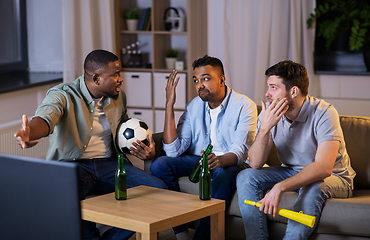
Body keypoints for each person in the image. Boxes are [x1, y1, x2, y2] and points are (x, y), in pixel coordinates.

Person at [14, 49, 168, 240]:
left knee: (160, 190)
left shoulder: (119, 96)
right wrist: (29, 132)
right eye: (115, 74)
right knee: (68, 193)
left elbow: (122, 131)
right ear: (96, 78)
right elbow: (47, 117)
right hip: (73, 165)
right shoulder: (63, 94)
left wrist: (144, 149)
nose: (121, 79)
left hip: (110, 164)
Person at [236, 60, 356, 240]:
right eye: (268, 87)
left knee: (313, 186)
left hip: (335, 177)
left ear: (293, 91)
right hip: (291, 170)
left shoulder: (324, 112)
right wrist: (265, 129)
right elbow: (255, 163)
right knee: (245, 177)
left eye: (273, 87)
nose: (267, 94)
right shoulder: (270, 113)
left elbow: (324, 167)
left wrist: (280, 187)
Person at [150, 55, 257, 240]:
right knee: (159, 165)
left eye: (205, 79)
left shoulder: (244, 105)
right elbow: (173, 151)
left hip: (232, 164)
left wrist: (220, 160)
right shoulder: (194, 107)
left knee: (223, 173)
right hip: (203, 161)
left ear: (222, 79)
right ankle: (180, 231)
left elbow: (241, 151)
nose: (200, 85)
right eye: (196, 80)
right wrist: (169, 104)